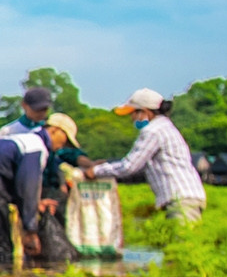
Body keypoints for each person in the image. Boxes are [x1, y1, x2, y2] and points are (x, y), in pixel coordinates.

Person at [86, 87, 206, 222]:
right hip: (187, 196)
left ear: (145, 111)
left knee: (181, 240)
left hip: (180, 199)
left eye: (133, 113)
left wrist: (96, 171)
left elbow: (129, 166)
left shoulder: (152, 131)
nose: (132, 119)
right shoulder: (166, 127)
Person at [0, 122, 69, 265]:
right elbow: (27, 186)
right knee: (3, 252)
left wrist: (36, 203)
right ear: (55, 130)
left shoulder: (18, 139)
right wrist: (30, 229)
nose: (63, 146)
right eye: (65, 140)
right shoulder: (35, 146)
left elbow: (11, 179)